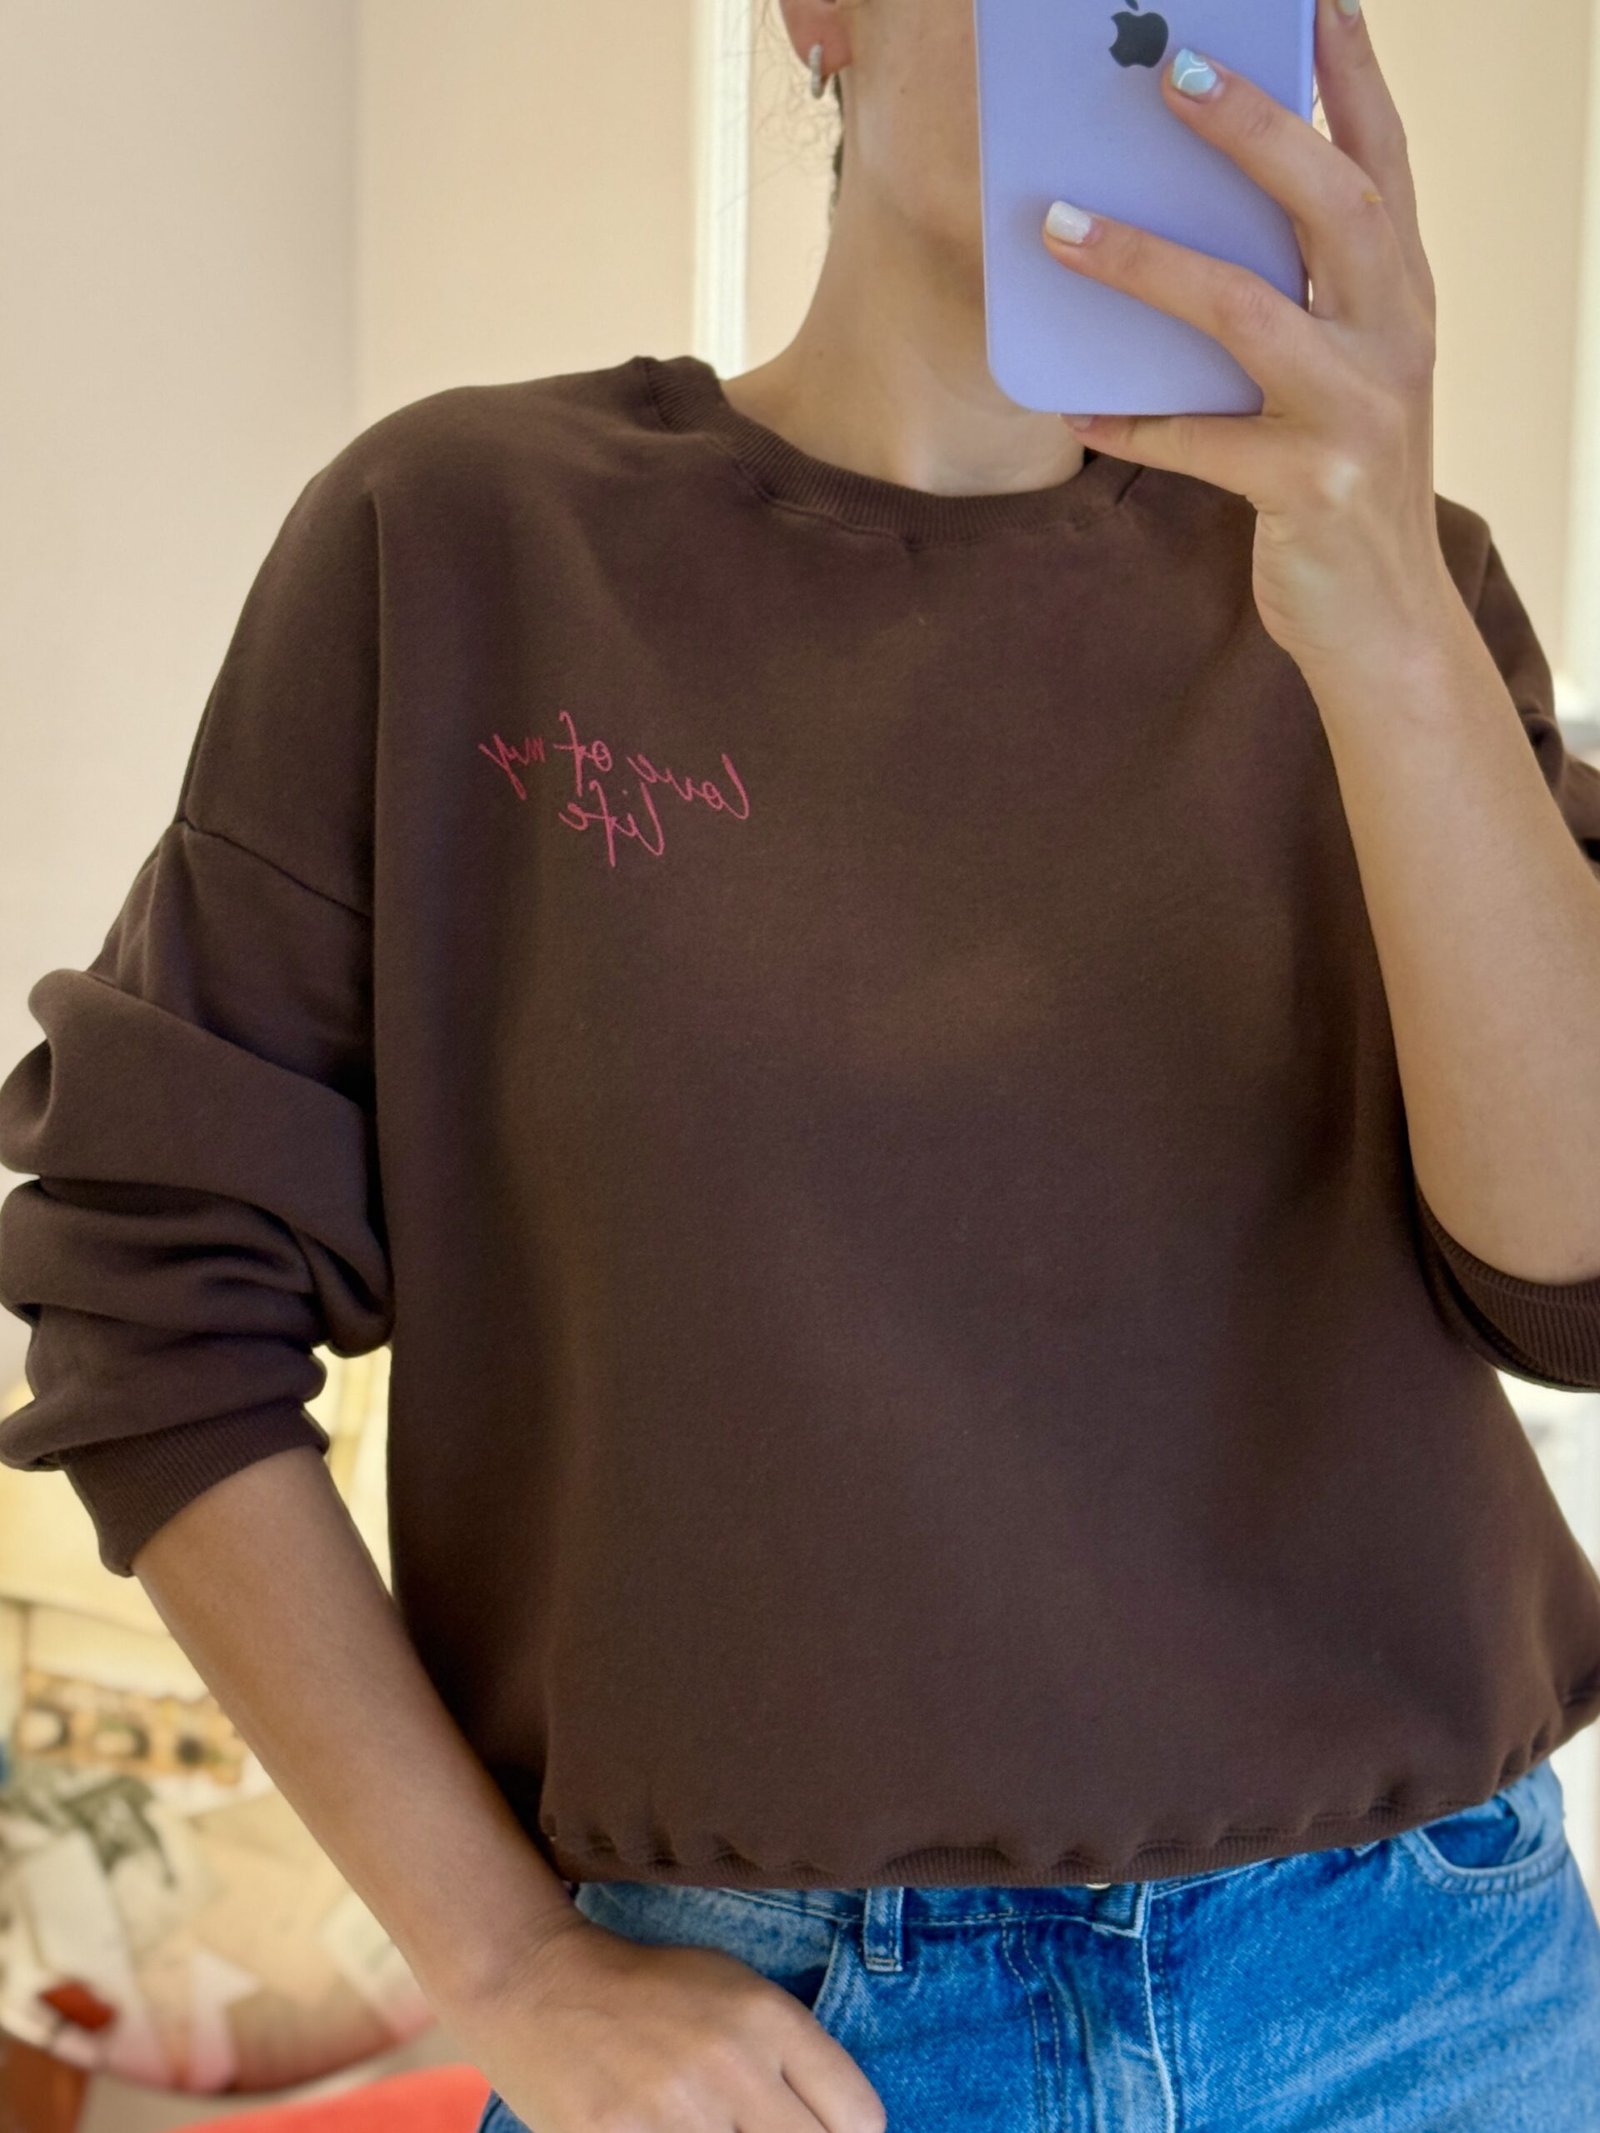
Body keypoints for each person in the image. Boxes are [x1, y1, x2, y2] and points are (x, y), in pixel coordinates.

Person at [6, 0, 1600, 2125]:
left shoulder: (1387, 584)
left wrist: (1387, 606)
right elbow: (149, 1300)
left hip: (1426, 1993)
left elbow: (1572, 1281)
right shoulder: (463, 544)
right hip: (769, 2032)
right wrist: (505, 1959)